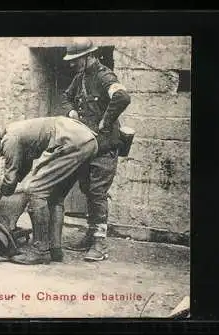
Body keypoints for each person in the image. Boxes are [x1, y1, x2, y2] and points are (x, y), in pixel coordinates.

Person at [0, 116, 102, 265]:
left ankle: (40, 250)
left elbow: (11, 174)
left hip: (70, 142)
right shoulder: (17, 132)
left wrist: (0, 191)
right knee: (55, 196)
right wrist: (4, 185)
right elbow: (23, 168)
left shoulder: (9, 140)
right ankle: (55, 249)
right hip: (87, 141)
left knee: (35, 190)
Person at [60, 37, 131, 261]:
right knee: (88, 189)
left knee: (98, 192)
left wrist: (106, 122)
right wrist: (71, 111)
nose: (72, 64)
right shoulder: (80, 77)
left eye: (76, 60)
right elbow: (66, 97)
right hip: (87, 145)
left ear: (89, 56)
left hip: (105, 146)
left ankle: (100, 243)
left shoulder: (104, 76)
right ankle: (91, 235)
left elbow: (122, 97)